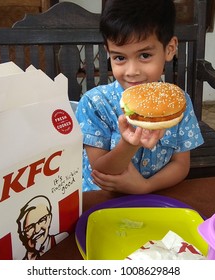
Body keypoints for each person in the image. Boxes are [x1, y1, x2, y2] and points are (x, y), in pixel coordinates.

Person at [75, 0, 204, 194]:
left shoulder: (178, 103)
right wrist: (128, 144)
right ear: (108, 53)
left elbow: (181, 164)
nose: (132, 71)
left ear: (169, 49)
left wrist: (145, 187)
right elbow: (100, 173)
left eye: (144, 55)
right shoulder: (95, 104)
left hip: (154, 196)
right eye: (120, 58)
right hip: (103, 200)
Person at [16, 195, 68, 260]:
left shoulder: (65, 239)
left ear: (49, 218)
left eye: (42, 220)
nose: (37, 230)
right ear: (22, 233)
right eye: (30, 227)